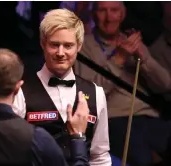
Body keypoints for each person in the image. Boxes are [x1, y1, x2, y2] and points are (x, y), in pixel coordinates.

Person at [73, 1, 171, 166]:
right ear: (93, 15)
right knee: (142, 159)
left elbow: (165, 85)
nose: (109, 17)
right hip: (115, 118)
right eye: (102, 11)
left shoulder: (132, 41)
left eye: (114, 10)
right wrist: (118, 59)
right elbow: (88, 95)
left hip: (149, 115)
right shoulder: (83, 47)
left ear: (122, 15)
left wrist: (145, 59)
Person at [13, 9, 111, 166]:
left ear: (79, 46)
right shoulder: (21, 92)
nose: (61, 53)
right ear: (42, 44)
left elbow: (99, 156)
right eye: (54, 45)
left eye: (68, 46)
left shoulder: (96, 93)